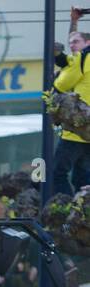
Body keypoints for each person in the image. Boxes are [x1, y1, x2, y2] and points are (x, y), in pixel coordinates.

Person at [53, 28, 90, 193]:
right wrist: (74, 21)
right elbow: (68, 60)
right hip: (87, 134)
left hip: (76, 131)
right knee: (82, 179)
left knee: (57, 174)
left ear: (88, 43)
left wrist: (56, 79)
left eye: (76, 42)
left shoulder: (83, 59)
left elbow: (61, 85)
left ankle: (67, 210)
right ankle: (82, 214)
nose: (72, 46)